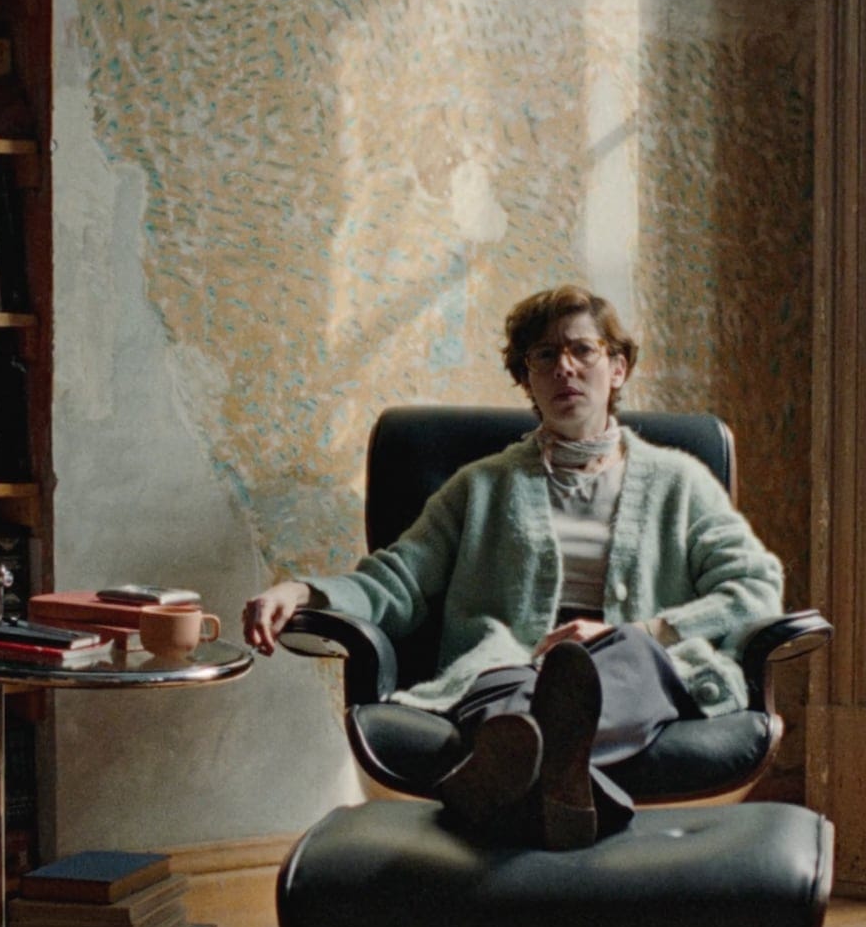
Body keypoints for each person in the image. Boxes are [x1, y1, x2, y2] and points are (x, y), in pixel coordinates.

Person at [242, 285, 784, 849]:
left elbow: (756, 587)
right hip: (513, 667)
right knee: (506, 688)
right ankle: (564, 791)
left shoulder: (681, 482)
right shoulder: (481, 486)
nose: (564, 369)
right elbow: (396, 580)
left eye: (582, 351)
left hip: (632, 663)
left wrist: (644, 630)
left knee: (620, 664)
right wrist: (304, 592)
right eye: (544, 356)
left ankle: (494, 785)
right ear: (526, 378)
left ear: (618, 368)